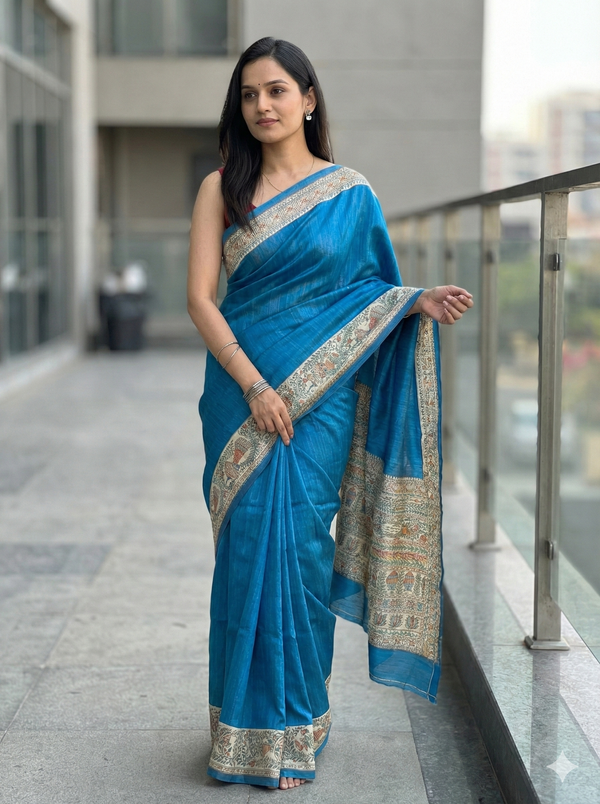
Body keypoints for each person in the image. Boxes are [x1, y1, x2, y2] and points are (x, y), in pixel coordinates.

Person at [187, 36, 473, 791]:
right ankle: (244, 730)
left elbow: (367, 294)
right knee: (248, 550)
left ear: (308, 99)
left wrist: (414, 301)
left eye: (277, 90)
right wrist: (255, 386)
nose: (263, 105)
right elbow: (200, 300)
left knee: (303, 552)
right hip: (241, 396)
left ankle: (296, 722)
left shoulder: (350, 193)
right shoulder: (222, 188)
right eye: (250, 94)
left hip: (320, 401)